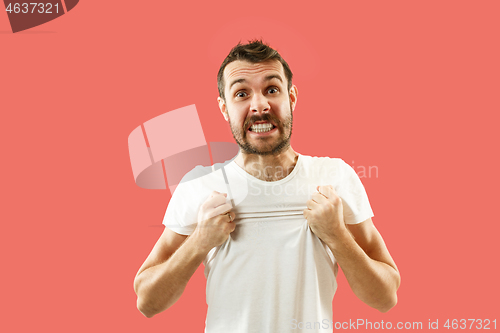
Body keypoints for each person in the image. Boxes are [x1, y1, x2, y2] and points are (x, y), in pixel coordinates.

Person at [133, 40, 400, 332]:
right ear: (224, 108)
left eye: (271, 89)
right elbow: (147, 301)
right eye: (241, 93)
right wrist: (199, 241)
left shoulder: (334, 177)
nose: (259, 105)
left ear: (292, 97)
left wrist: (337, 236)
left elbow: (385, 297)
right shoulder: (200, 186)